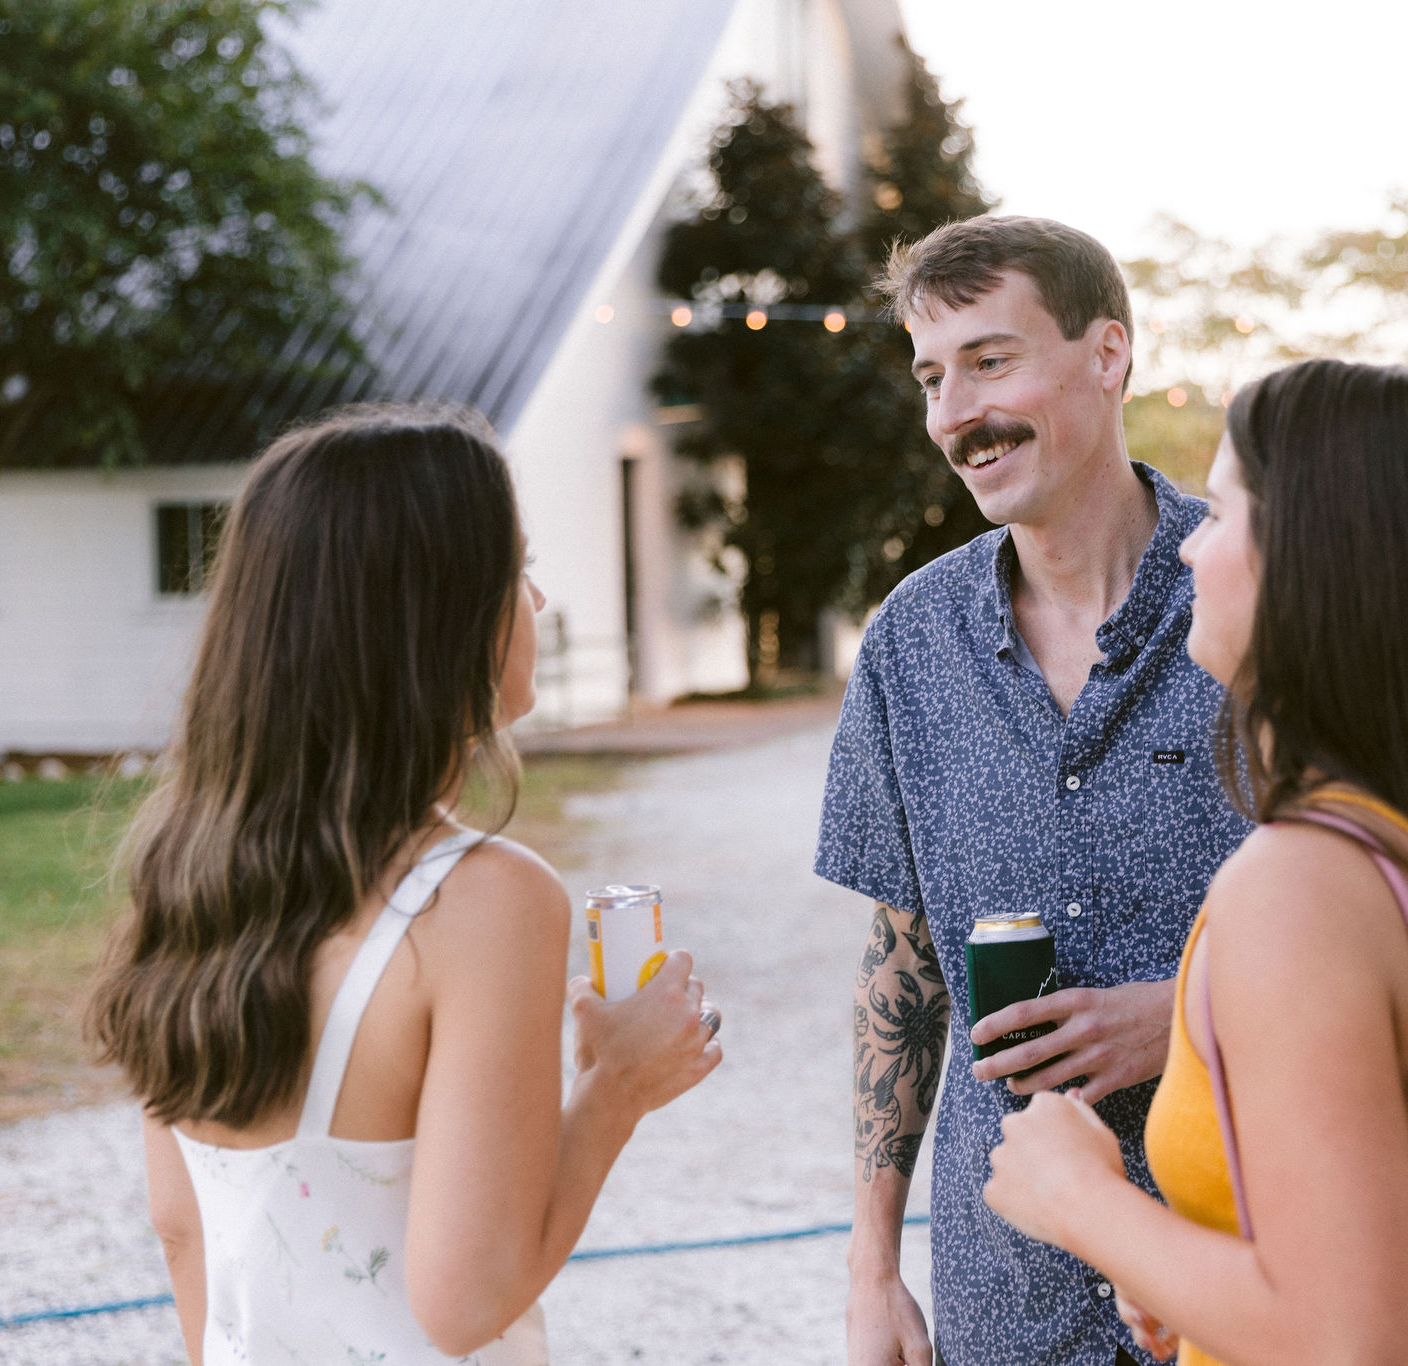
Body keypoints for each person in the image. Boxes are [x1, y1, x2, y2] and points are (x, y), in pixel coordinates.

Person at [982, 360, 1408, 1364]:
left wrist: (1079, 1201)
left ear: (1318, 560)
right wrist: (1175, 1268)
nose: (1189, 548)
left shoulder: (1300, 890)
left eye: (1219, 512)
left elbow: (1344, 1345)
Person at [86, 406, 722, 1365]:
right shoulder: (487, 900)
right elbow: (464, 1304)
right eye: (515, 568)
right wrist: (616, 1087)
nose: (537, 599)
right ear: (432, 618)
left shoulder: (183, 879)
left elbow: (182, 1229)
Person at [816, 215, 1252, 1366]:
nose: (953, 413)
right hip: (1002, 1303)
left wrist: (1184, 1015)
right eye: (931, 376)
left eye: (989, 360)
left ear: (1106, 354)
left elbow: (1382, 912)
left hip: (1239, 1275)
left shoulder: (1256, 598)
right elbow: (902, 959)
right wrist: (871, 1270)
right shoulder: (909, 640)